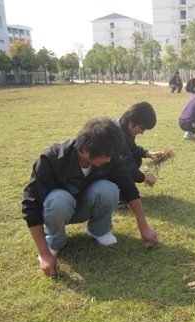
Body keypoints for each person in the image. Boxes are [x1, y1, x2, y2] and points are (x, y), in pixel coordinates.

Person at [22, 117, 159, 277]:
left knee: (109, 189)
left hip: (85, 206)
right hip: (58, 210)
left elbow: (129, 188)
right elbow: (30, 205)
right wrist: (44, 254)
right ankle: (55, 240)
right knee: (58, 199)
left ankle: (99, 230)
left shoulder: (109, 157)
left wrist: (144, 227)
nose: (109, 160)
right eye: (105, 156)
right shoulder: (52, 159)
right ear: (86, 149)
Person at [114, 102, 166, 188]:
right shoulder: (119, 135)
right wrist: (145, 178)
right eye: (142, 128)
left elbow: (131, 148)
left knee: (136, 157)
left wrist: (148, 153)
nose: (142, 132)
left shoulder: (124, 126)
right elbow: (127, 163)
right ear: (132, 121)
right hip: (101, 173)